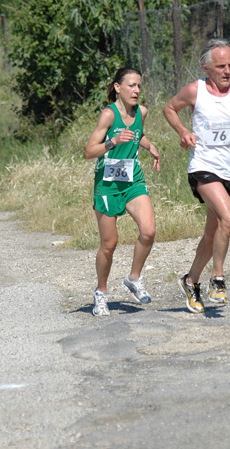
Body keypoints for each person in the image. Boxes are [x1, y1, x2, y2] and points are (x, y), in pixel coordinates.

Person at [163, 38, 230, 313]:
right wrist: (184, 132)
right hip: (203, 168)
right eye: (220, 66)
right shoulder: (195, 91)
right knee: (229, 218)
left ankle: (190, 280)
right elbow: (169, 108)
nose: (227, 71)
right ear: (206, 67)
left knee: (212, 233)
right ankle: (217, 279)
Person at [85, 67, 160, 316]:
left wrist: (151, 147)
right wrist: (113, 142)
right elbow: (89, 151)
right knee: (109, 244)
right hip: (107, 184)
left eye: (139, 85)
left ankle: (133, 278)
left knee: (148, 231)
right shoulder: (108, 115)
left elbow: (138, 134)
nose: (136, 90)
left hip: (132, 180)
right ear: (117, 87)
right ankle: (101, 294)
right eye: (131, 85)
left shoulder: (142, 112)